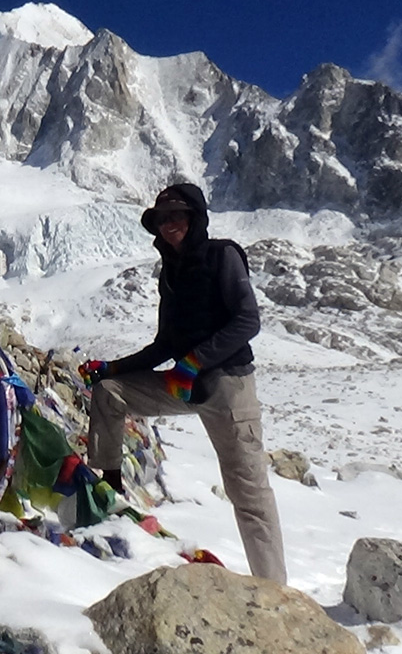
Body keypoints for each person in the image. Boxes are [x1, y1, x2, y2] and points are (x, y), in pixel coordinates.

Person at [78, 183, 287, 584]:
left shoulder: (222, 256)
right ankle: (109, 491)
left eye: (177, 216)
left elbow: (247, 321)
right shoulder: (170, 273)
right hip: (185, 384)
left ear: (195, 219)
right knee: (108, 394)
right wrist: (114, 368)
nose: (170, 224)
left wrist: (194, 361)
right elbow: (165, 344)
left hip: (228, 388)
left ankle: (274, 589)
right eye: (163, 218)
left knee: (248, 493)